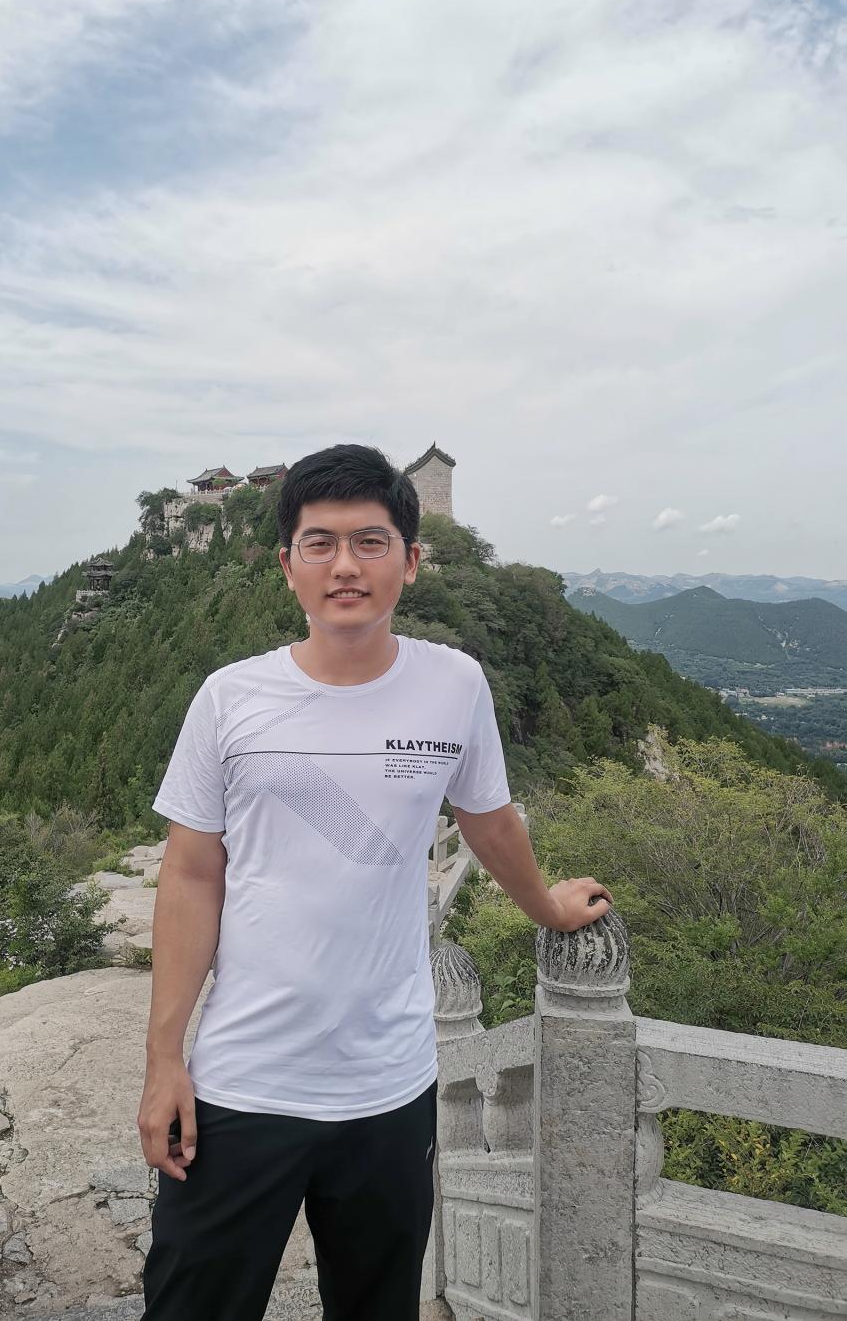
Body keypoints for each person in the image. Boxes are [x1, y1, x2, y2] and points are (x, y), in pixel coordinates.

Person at [137, 443, 613, 1321]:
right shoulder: (230, 699)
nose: (345, 566)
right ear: (287, 565)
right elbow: (192, 874)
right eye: (319, 543)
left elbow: (488, 819)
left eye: (370, 541)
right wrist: (165, 1058)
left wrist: (546, 906)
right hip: (243, 1082)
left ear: (412, 560)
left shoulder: (453, 685)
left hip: (388, 1087)